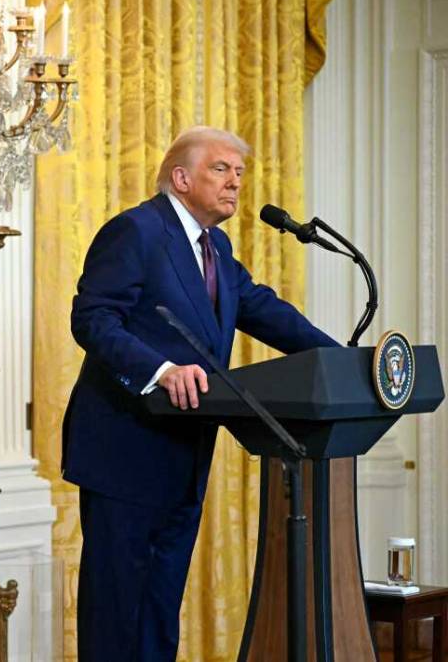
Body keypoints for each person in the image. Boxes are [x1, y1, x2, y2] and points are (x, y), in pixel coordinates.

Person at [62, 126, 339, 661]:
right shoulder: (136, 231)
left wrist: (342, 359)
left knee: (160, 606)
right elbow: (93, 319)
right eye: (221, 169)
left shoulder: (216, 247)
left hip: (184, 450)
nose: (235, 181)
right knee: (116, 610)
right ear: (182, 177)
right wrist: (160, 369)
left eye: (239, 172)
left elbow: (262, 308)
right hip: (124, 449)